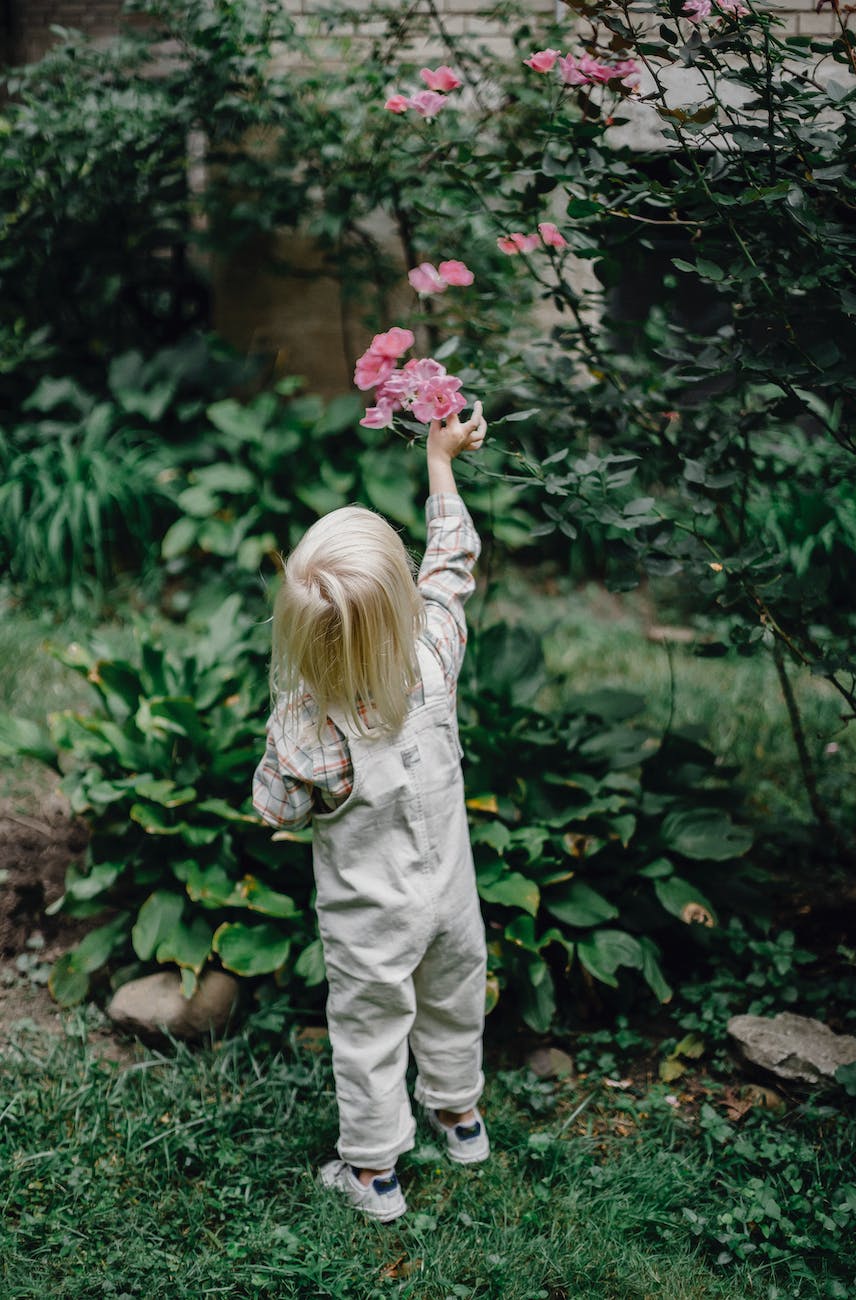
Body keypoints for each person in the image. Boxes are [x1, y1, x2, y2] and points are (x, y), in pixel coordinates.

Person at [252, 401, 489, 1223]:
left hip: (371, 921)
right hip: (452, 900)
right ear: (399, 606)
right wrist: (439, 462)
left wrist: (289, 715)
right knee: (456, 997)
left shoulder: (306, 727)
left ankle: (373, 1173)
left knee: (370, 1032)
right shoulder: (433, 655)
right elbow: (451, 564)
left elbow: (273, 809)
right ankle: (460, 1118)